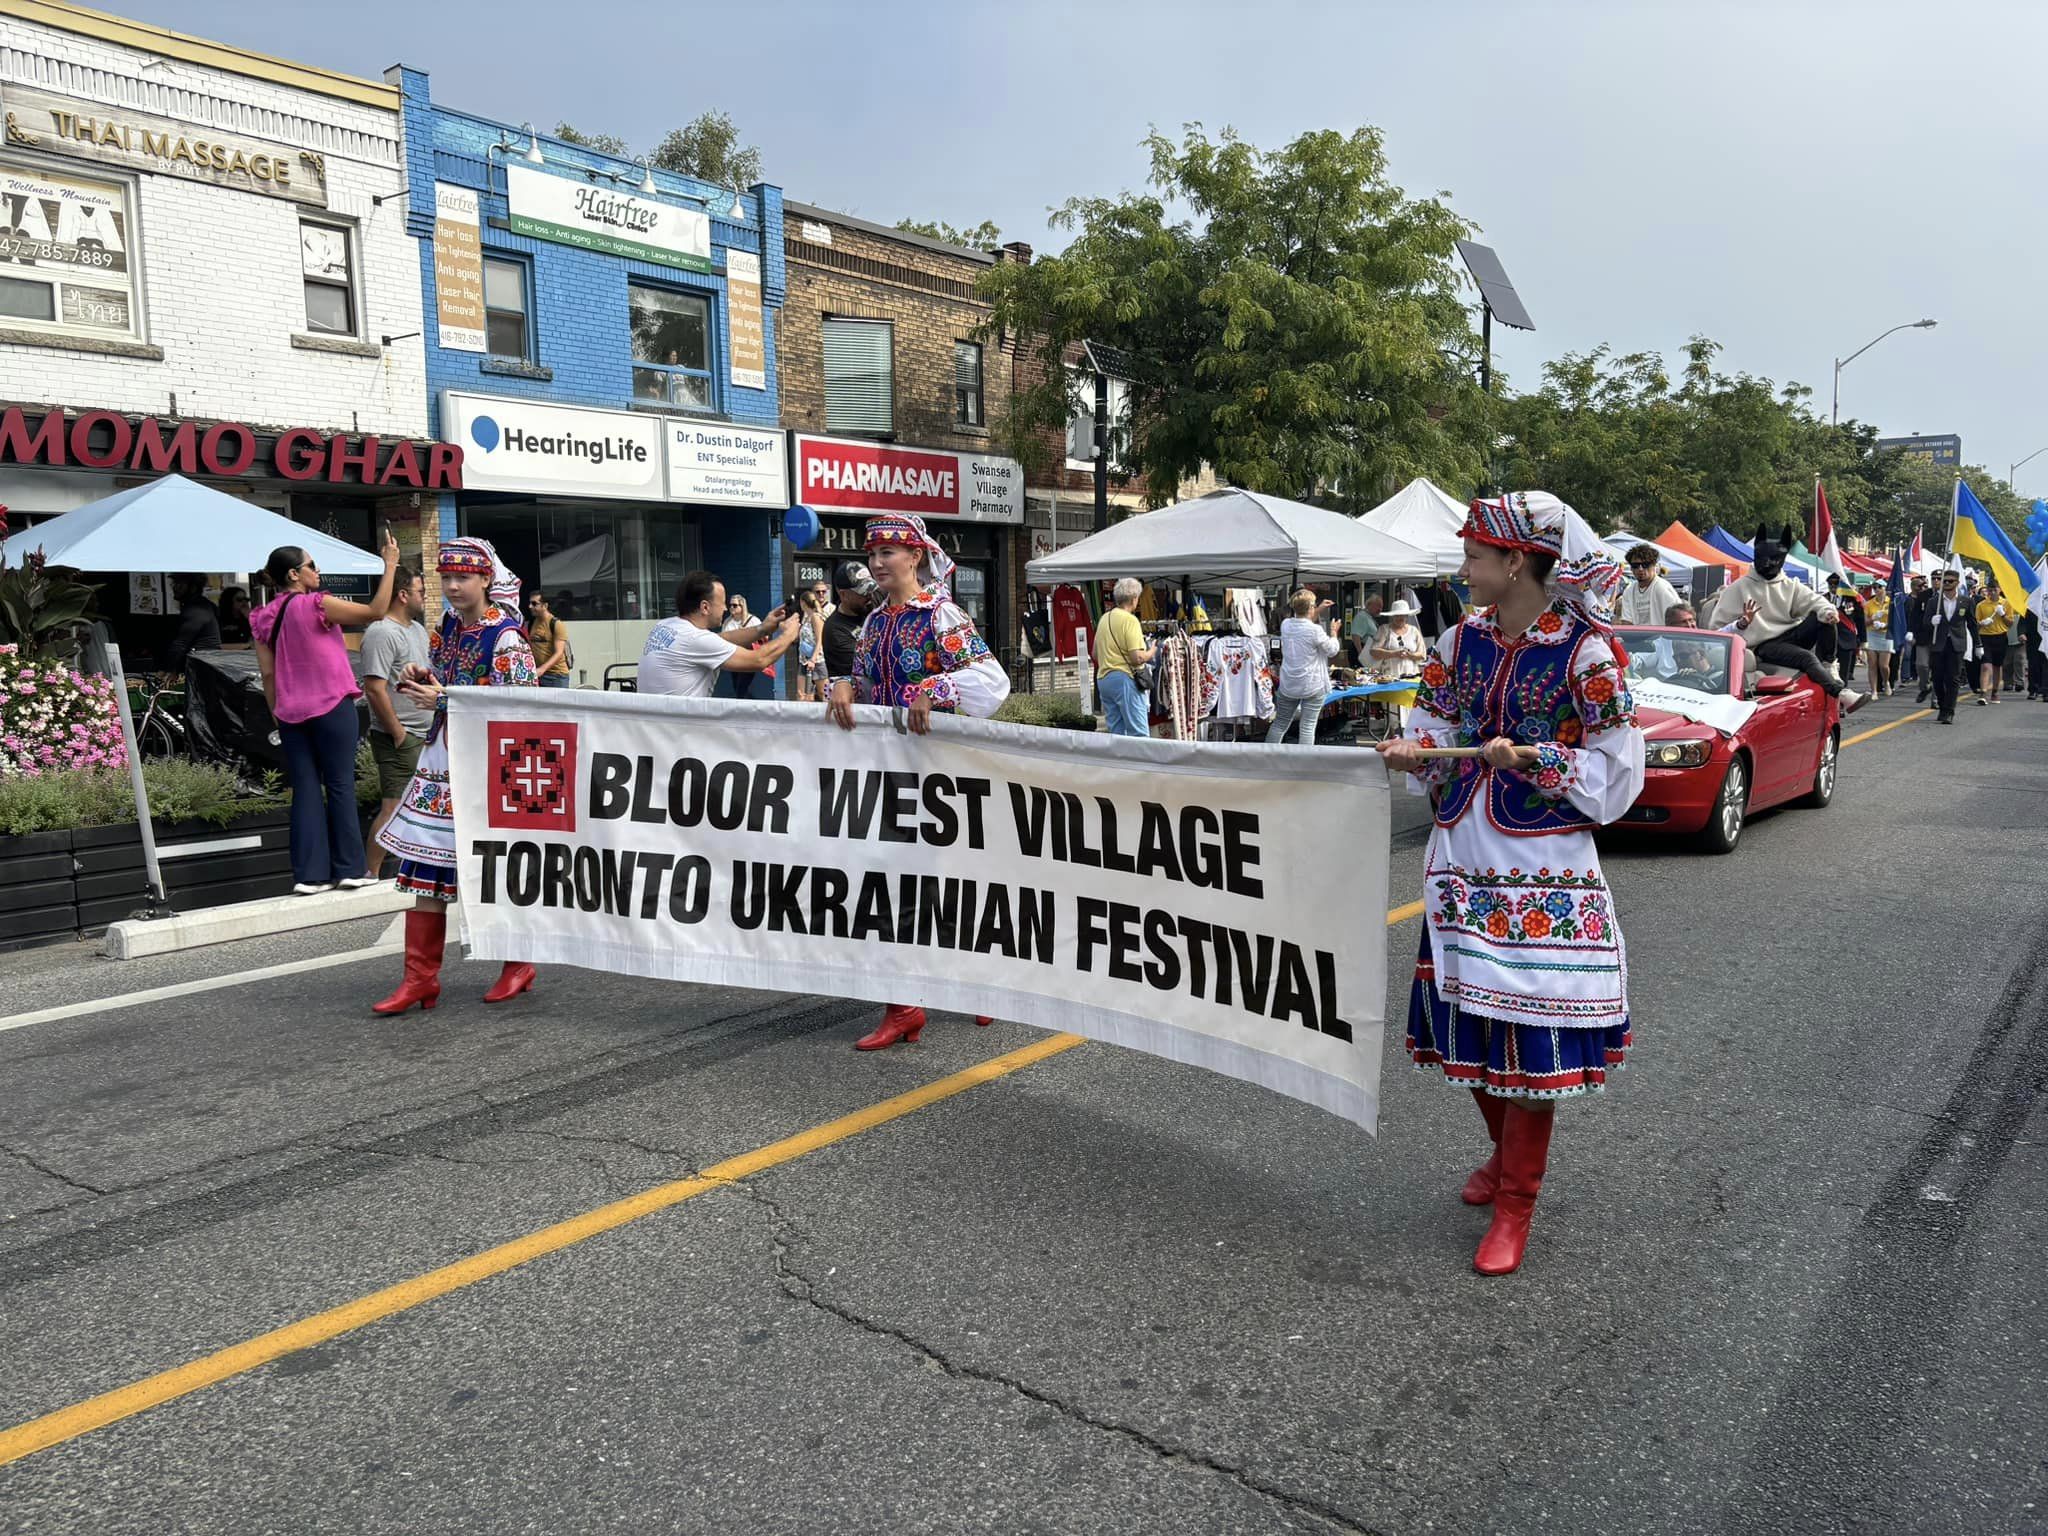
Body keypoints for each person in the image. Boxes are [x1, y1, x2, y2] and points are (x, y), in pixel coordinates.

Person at [1378, 490, 1644, 1276]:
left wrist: (1538, 758)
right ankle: (1503, 1160)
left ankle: (1517, 1206)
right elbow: (1432, 723)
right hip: (1463, 859)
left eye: (1473, 558)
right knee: (1468, 1022)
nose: (1462, 571)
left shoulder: (1587, 655)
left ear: (1517, 562)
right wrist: (1413, 751)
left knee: (1529, 1041)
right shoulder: (1459, 641)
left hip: (1541, 870)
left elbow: (1619, 770)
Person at [828, 512, 1010, 1050]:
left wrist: (937, 686)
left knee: (953, 881)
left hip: (942, 776)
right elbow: (863, 686)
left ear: (915, 556)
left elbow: (991, 683)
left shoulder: (941, 616)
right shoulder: (875, 623)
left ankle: (982, 981)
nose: (877, 563)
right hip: (888, 778)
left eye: (888, 553)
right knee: (891, 886)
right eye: (872, 554)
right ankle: (903, 1006)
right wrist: (841, 685)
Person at [372, 538, 541, 1014]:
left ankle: (518, 962)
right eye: (446, 578)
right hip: (443, 760)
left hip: (488, 765)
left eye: (462, 578)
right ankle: (420, 979)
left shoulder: (506, 636)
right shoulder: (449, 625)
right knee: (426, 867)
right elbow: (455, 678)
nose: (452, 586)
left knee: (498, 864)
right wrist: (425, 676)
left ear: (486, 580)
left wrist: (443, 700)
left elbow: (521, 708)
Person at [252, 536, 398, 895]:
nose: (317, 572)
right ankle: (349, 868)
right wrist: (390, 564)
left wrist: (276, 711)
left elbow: (268, 674)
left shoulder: (262, 616)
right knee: (340, 785)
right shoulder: (318, 604)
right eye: (312, 566)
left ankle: (309, 876)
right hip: (332, 705)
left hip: (289, 711)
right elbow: (376, 613)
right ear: (294, 574)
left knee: (304, 789)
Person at [1703, 524, 1864, 712]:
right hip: (1762, 646)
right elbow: (1716, 629)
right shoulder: (1738, 588)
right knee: (1807, 658)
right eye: (1763, 559)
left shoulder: (1790, 585)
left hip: (1790, 636)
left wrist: (1828, 612)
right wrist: (1742, 625)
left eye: (1775, 559)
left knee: (1824, 616)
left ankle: (1829, 664)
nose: (1769, 564)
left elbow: (1815, 601)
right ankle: (1841, 694)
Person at [359, 565, 431, 881]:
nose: (425, 597)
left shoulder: (416, 629)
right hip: (400, 735)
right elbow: (374, 688)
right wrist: (398, 733)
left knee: (421, 807)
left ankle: (410, 869)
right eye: (421, 591)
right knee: (394, 807)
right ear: (403, 595)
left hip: (426, 732)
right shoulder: (381, 632)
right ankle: (370, 874)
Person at [640, 573, 798, 697]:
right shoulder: (695, 640)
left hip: (656, 729)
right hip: (682, 732)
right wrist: (788, 635)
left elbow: (721, 639)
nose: (724, 609)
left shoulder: (665, 625)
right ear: (705, 607)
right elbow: (759, 659)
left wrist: (762, 628)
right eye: (722, 603)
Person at [1267, 589, 1338, 747]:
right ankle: (1303, 763)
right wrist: (1334, 632)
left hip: (1289, 683)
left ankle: (1267, 756)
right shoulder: (1315, 630)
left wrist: (1316, 609)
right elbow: (1332, 650)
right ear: (1311, 608)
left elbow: (1302, 621)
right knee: (1307, 727)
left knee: (1280, 724)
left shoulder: (1286, 625)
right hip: (1312, 683)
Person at [1095, 576, 1156, 738]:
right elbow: (1137, 658)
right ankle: (1141, 763)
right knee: (1139, 732)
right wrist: (1152, 652)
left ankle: (1119, 762)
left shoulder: (1104, 618)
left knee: (1117, 732)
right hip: (1124, 679)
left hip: (1104, 679)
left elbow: (1095, 653)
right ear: (1134, 598)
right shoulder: (1130, 620)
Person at [1928, 569, 1977, 725]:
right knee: (1937, 678)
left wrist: (1978, 644)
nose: (1947, 584)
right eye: (1945, 581)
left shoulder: (1966, 601)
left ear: (1957, 583)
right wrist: (1931, 621)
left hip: (1956, 643)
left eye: (1950, 581)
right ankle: (1943, 705)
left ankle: (1949, 711)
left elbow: (1972, 625)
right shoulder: (1934, 602)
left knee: (1953, 678)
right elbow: (1924, 623)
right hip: (1939, 643)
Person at [821, 561, 877, 683]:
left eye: (871, 589)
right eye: (863, 592)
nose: (869, 595)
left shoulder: (871, 607)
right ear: (844, 594)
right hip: (856, 697)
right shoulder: (835, 630)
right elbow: (867, 667)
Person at [161, 573, 221, 673]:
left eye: (180, 585)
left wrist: (169, 670)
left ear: (193, 587)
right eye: (174, 584)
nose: (175, 588)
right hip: (204, 663)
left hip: (202, 667)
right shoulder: (205, 605)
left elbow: (180, 644)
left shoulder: (196, 610)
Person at [1618, 545, 1681, 627]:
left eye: (1645, 565)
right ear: (1631, 568)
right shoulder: (1629, 591)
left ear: (1654, 565)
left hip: (1663, 637)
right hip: (1638, 638)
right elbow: (1627, 622)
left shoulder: (1662, 587)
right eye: (1635, 566)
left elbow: (1677, 619)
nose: (1640, 569)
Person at [1974, 580, 2013, 705]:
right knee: (1985, 665)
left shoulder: (2006, 603)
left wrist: (2002, 614)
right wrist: (1982, 623)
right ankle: (1983, 693)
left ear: (2000, 590)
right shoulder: (1981, 605)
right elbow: (1976, 625)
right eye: (1989, 590)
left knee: (1997, 666)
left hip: (2000, 637)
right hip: (1985, 637)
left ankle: (1995, 691)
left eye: (1994, 590)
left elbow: (2010, 623)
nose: (1992, 592)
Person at [1369, 599, 1427, 682]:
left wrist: (1410, 655)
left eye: (1402, 615)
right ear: (1392, 616)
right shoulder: (1384, 629)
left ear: (1407, 616)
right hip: (1389, 679)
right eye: (1397, 615)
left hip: (1412, 678)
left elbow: (1422, 654)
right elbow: (1373, 651)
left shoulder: (1414, 631)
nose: (1400, 618)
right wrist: (1394, 653)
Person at [526, 589, 573, 689]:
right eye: (530, 603)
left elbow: (559, 653)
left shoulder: (556, 624)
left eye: (534, 604)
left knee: (558, 704)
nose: (530, 606)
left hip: (557, 676)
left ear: (545, 606)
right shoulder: (531, 623)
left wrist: (542, 669)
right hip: (538, 674)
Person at [1827, 576, 1866, 689]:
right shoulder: (1823, 599)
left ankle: (1842, 691)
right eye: (1831, 585)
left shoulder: (1852, 599)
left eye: (1835, 585)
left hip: (1846, 639)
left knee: (1844, 670)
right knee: (1827, 668)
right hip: (1828, 639)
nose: (1833, 588)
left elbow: (1860, 619)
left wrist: (1863, 640)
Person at [794, 582, 831, 702]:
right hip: (803, 660)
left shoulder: (816, 617)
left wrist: (813, 659)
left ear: (803, 603)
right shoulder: (805, 618)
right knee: (802, 695)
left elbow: (820, 639)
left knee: (823, 694)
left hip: (817, 660)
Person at [1860, 582, 1894, 697]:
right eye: (1875, 587)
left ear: (1885, 588)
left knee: (1883, 665)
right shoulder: (1869, 604)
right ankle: (1874, 690)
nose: (1877, 589)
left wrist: (1885, 625)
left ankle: (1886, 682)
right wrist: (1873, 618)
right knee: (1872, 663)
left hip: (1886, 634)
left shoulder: (1891, 602)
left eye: (1880, 587)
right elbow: (1864, 623)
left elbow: (1896, 622)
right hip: (1872, 633)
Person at [1908, 575, 1937, 703]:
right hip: (1923, 636)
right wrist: (1911, 632)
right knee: (1921, 665)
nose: (1936, 581)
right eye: (1934, 578)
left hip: (1939, 636)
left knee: (1937, 669)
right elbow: (1915, 616)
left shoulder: (1948, 596)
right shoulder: (1924, 595)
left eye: (1939, 578)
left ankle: (1936, 699)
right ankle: (1925, 687)